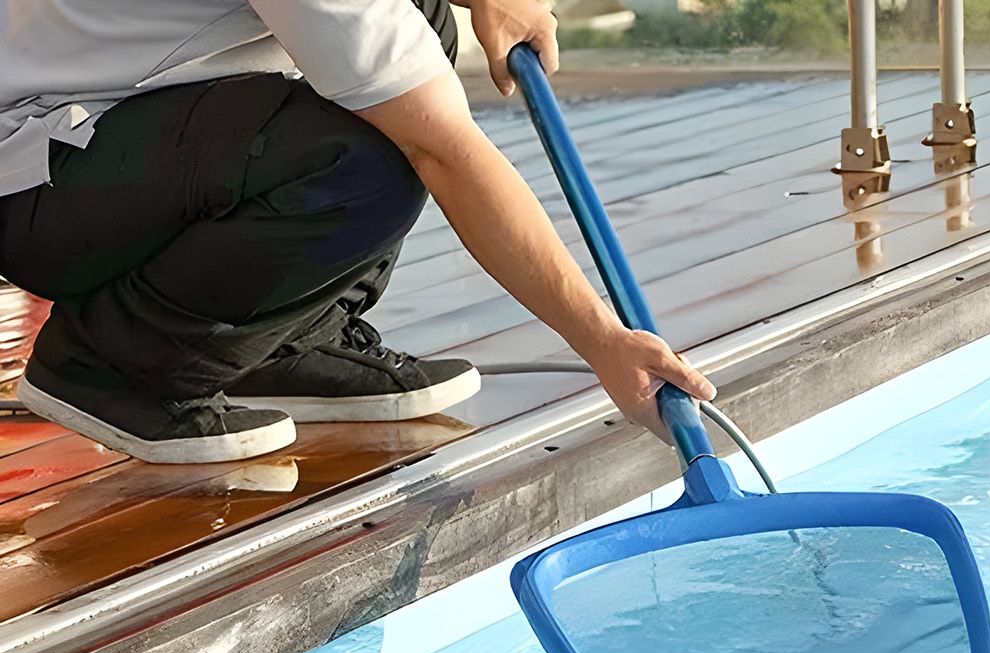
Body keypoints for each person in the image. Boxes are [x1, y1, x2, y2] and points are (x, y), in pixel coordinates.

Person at [0, 0, 715, 463]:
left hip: (109, 113)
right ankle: (115, 365)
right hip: (36, 179)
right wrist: (601, 339)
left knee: (424, 23)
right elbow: (444, 151)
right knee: (370, 158)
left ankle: (278, 339)